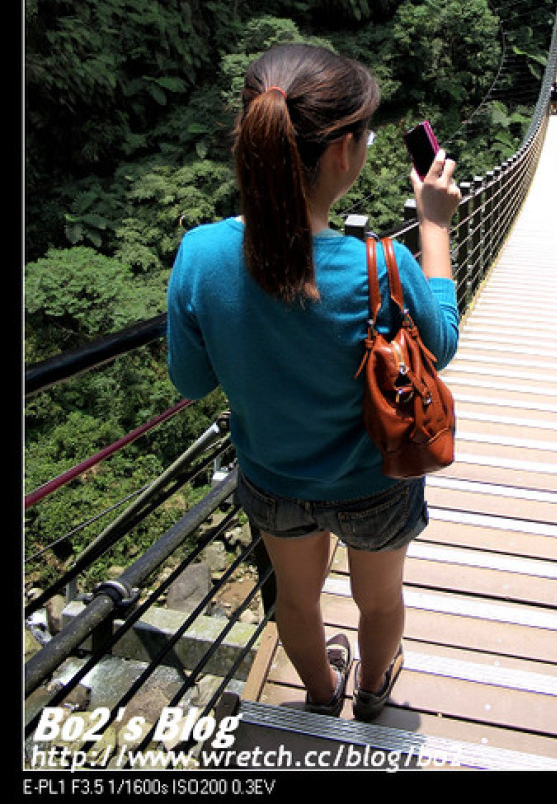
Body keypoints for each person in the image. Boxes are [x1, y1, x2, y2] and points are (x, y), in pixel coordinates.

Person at [166, 43, 461, 720]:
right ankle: (373, 694)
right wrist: (434, 227)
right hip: (373, 481)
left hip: (272, 478)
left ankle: (320, 699)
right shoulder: (381, 264)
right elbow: (439, 343)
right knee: (379, 599)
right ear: (341, 154)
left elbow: (190, 380)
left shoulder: (200, 255)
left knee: (296, 600)